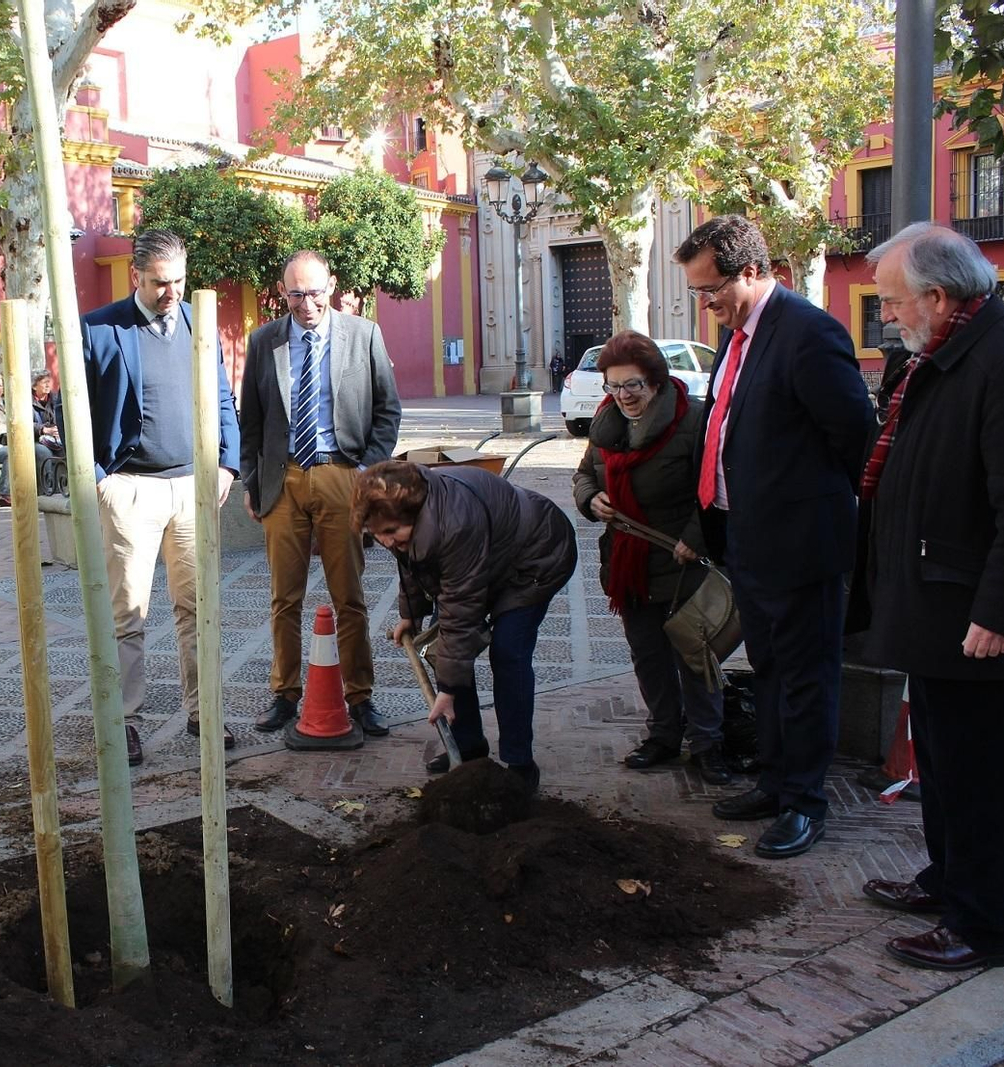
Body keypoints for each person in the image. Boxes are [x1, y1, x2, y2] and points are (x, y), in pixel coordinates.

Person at [856, 223, 1004, 971]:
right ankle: (948, 880)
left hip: (972, 615)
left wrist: (998, 611)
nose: (887, 316)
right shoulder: (945, 352)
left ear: (937, 295)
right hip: (933, 602)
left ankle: (984, 924)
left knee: (982, 774)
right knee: (944, 761)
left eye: (893, 303)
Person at [674, 215, 872, 859]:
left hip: (802, 543)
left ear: (753, 271)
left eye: (712, 291)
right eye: (698, 294)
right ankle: (776, 780)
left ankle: (805, 803)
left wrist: (818, 515)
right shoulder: (738, 335)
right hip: (747, 538)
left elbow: (857, 445)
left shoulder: (809, 333)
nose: (706, 306)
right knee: (769, 670)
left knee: (807, 676)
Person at [77, 229, 240, 766]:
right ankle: (125, 721)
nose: (171, 292)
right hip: (130, 488)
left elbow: (220, 396)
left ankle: (204, 713)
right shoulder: (101, 329)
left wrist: (226, 463)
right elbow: (71, 411)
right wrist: (101, 478)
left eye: (178, 281)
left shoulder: (200, 322)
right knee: (128, 612)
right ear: (136, 277)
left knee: (199, 609)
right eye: (159, 283)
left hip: (193, 486)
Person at [242, 250, 402, 738]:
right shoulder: (263, 340)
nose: (306, 303)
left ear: (330, 286)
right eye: (295, 293)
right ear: (282, 290)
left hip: (342, 475)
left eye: (314, 292)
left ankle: (361, 696)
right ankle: (284, 695)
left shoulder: (363, 334)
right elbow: (250, 419)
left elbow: (387, 410)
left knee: (349, 596)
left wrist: (366, 473)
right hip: (284, 479)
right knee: (283, 598)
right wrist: (253, 480)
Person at [355, 461, 577, 789]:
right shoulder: (406, 518)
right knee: (443, 651)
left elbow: (461, 612)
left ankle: (519, 762)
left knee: (508, 652)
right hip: (486, 561)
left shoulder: (454, 523)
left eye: (390, 533)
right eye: (377, 535)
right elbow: (413, 565)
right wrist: (411, 614)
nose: (386, 542)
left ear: (413, 513)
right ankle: (468, 745)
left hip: (534, 560)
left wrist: (447, 690)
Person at [572, 331, 729, 786]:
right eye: (614, 386)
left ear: (656, 382)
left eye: (633, 385)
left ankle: (708, 744)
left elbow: (715, 486)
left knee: (694, 656)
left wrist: (695, 538)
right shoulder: (605, 426)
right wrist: (591, 497)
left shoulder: (693, 421)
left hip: (682, 562)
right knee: (647, 655)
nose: (623, 396)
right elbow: (584, 474)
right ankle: (663, 735)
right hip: (628, 562)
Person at [0, 371, 52, 506]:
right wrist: (15, 427)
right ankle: (6, 494)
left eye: (0, 386)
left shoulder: (1, 402)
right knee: (13, 454)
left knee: (38, 451)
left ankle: (45, 490)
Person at [30, 371, 63, 455]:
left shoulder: (56, 399)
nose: (48, 385)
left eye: (48, 382)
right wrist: (43, 430)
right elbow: (24, 424)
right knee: (43, 452)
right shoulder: (26, 401)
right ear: (34, 387)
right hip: (35, 439)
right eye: (44, 383)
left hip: (56, 437)